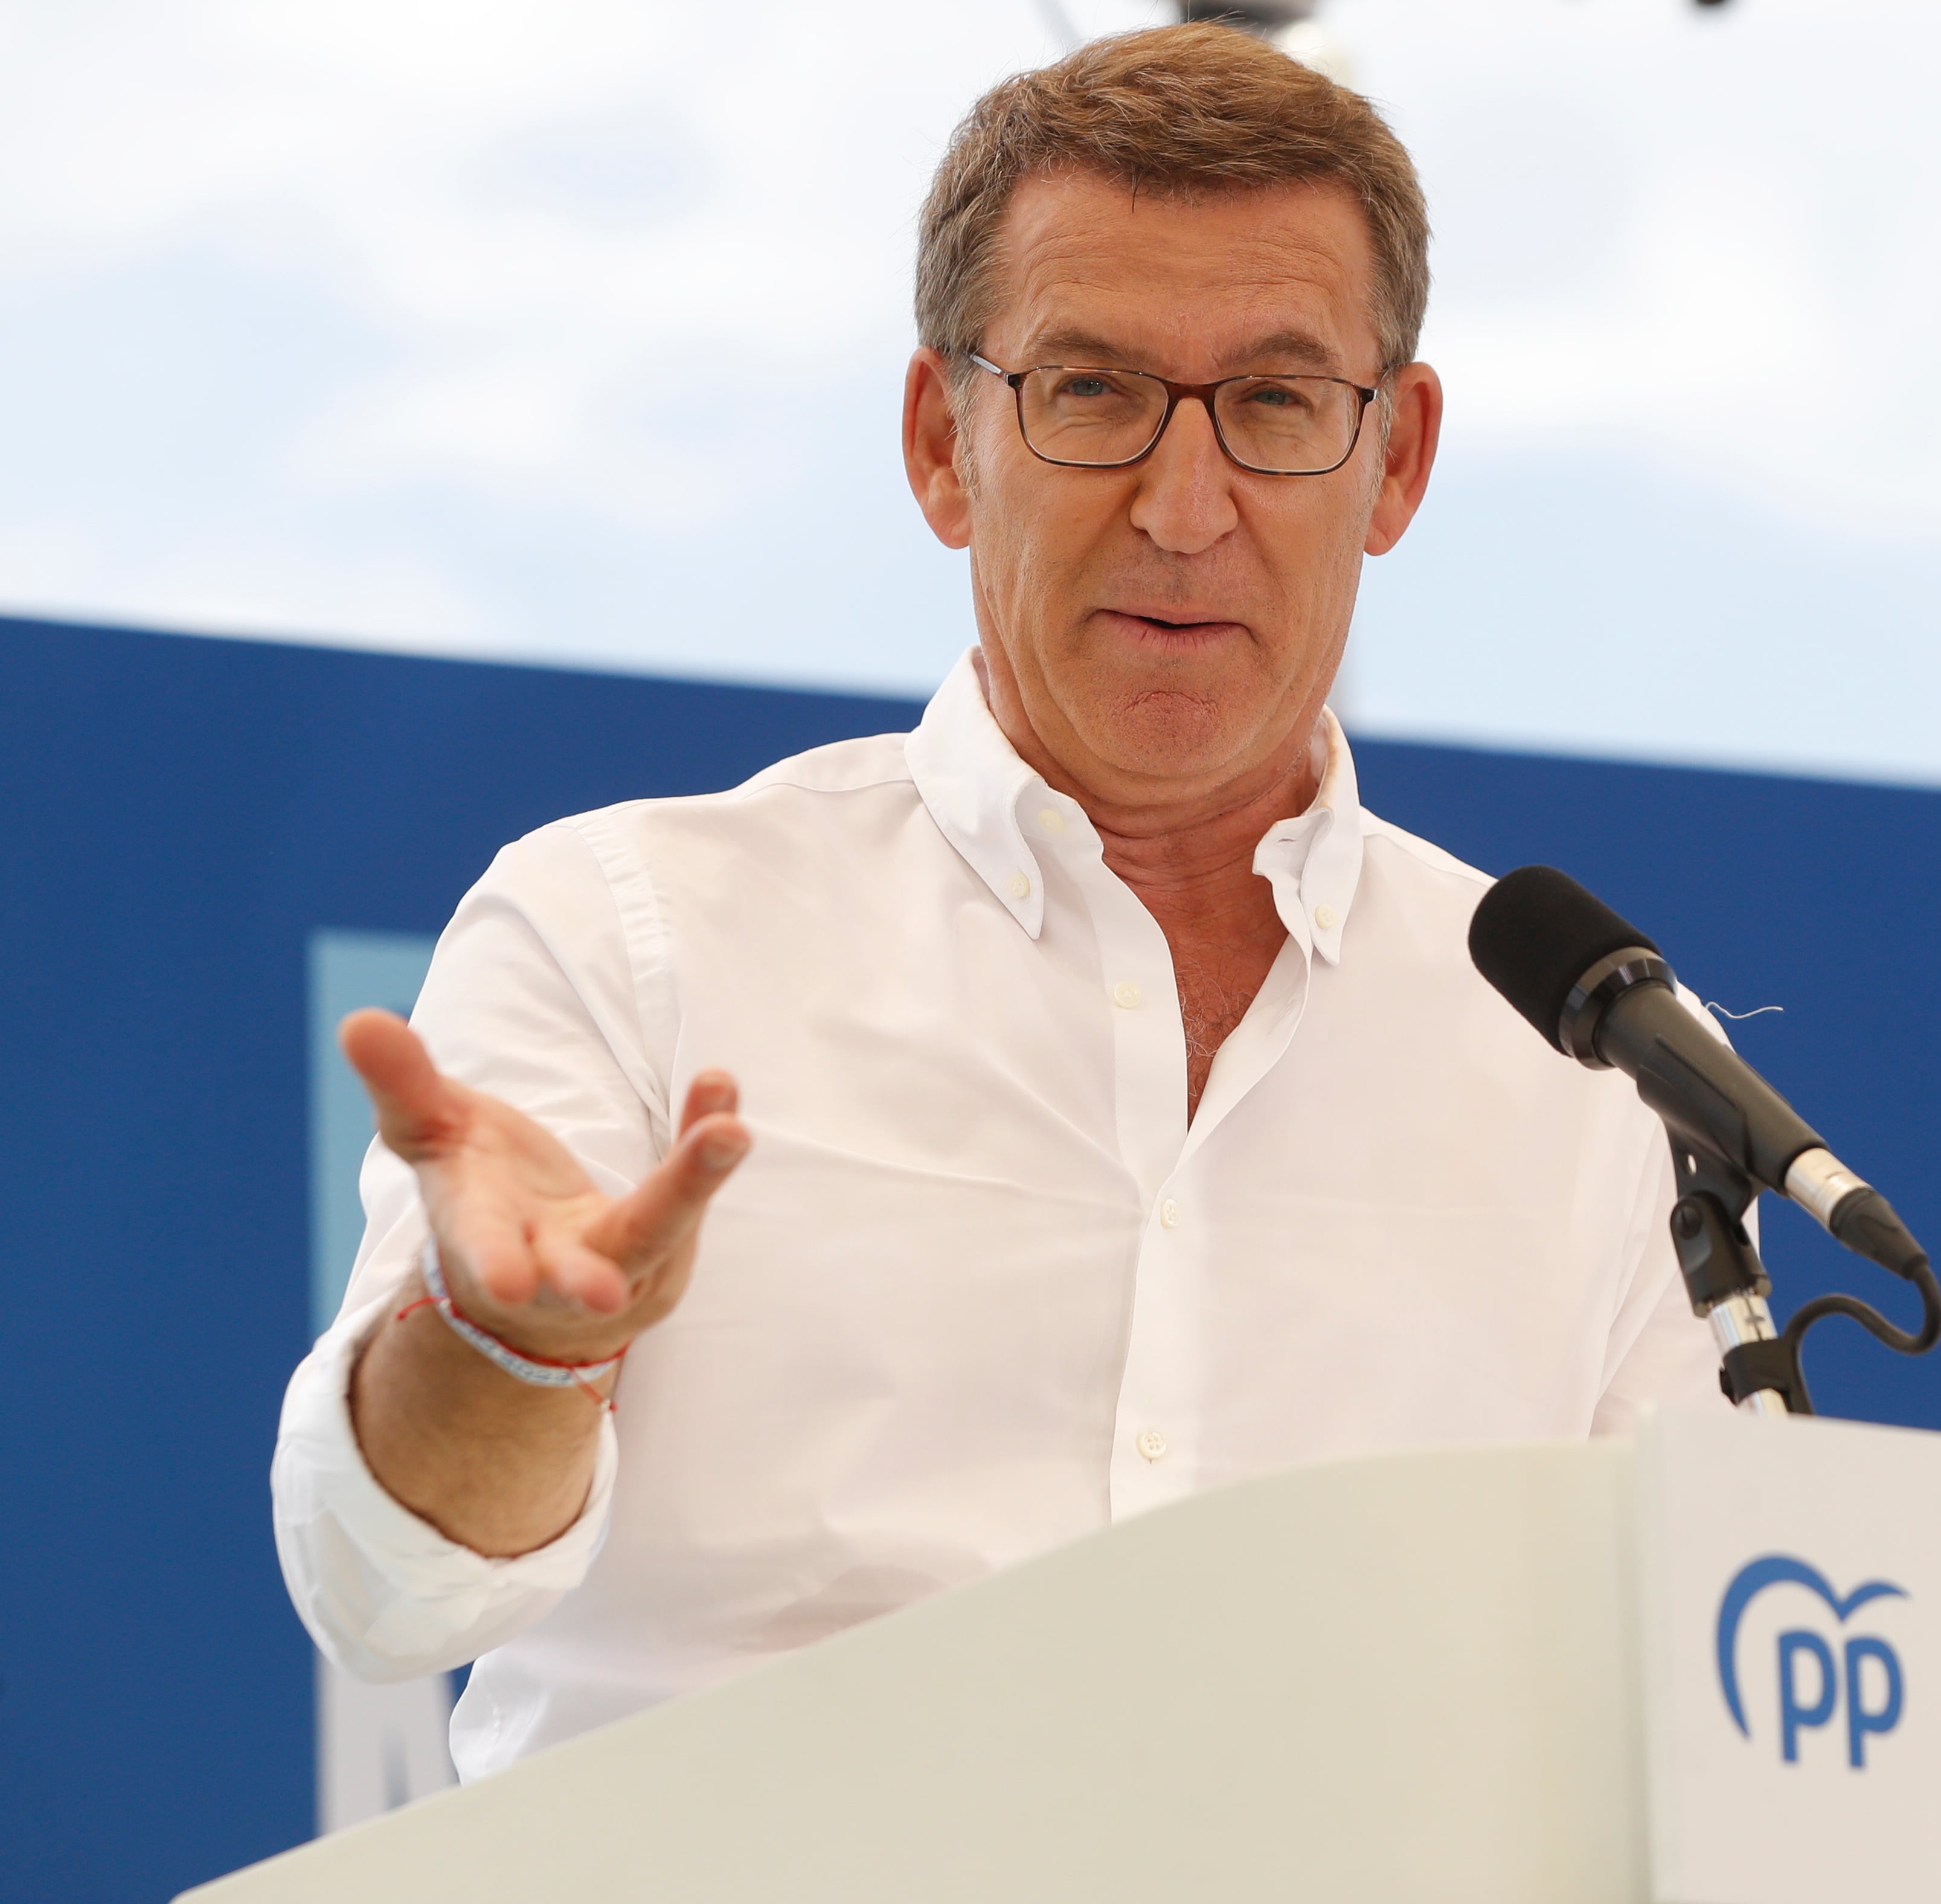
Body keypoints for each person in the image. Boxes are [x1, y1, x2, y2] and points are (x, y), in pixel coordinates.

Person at [274, 22, 1719, 1778]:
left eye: (1274, 403)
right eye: (1093, 391)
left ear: (1395, 459)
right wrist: (506, 1356)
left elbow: (1704, 1722)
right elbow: (387, 1594)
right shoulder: (629, 930)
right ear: (942, 441)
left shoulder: (1590, 1064)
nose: (1187, 512)